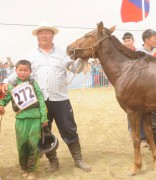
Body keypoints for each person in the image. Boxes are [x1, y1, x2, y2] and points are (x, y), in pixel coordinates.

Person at [2, 22, 91, 172]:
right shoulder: (30, 55)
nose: (44, 35)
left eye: (47, 32)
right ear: (37, 36)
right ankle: (53, 161)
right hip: (39, 102)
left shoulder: (62, 53)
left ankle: (78, 159)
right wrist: (5, 81)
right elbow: (19, 70)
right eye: (41, 33)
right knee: (44, 131)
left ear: (52, 35)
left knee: (69, 129)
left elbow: (74, 68)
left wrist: (83, 58)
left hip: (60, 99)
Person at [0, 60, 48, 180]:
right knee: (21, 145)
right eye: (20, 70)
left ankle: (33, 170)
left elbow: (41, 100)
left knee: (33, 144)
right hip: (20, 120)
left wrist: (44, 117)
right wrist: (1, 105)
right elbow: (5, 99)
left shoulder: (33, 83)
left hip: (35, 118)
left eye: (25, 70)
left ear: (30, 72)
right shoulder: (12, 85)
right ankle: (24, 168)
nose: (22, 72)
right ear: (15, 71)